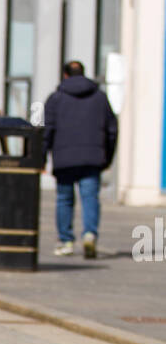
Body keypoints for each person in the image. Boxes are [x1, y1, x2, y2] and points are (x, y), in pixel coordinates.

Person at [44, 60, 117, 259]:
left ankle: (66, 240)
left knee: (64, 199)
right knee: (90, 198)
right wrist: (107, 157)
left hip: (64, 157)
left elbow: (47, 130)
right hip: (92, 157)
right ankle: (90, 234)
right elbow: (112, 129)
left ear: (65, 75)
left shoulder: (56, 98)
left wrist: (41, 157)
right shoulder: (100, 98)